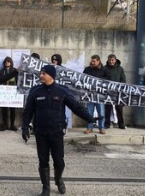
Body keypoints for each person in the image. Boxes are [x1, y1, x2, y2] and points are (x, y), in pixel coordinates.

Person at [22, 65, 94, 196]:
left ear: (50, 75)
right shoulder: (35, 91)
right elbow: (28, 111)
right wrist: (25, 127)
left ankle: (58, 179)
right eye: (40, 73)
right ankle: (45, 188)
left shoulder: (62, 91)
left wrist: (90, 118)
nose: (40, 75)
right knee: (43, 161)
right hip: (41, 132)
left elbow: (76, 107)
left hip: (56, 132)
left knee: (59, 161)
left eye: (43, 73)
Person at [83, 55, 108, 135]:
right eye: (92, 61)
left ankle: (101, 128)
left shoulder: (105, 69)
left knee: (101, 112)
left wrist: (100, 81)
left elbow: (109, 80)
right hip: (90, 94)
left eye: (94, 61)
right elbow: (83, 78)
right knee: (89, 112)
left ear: (98, 61)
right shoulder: (87, 69)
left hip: (100, 95)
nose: (92, 62)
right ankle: (90, 128)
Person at [104, 54, 127, 129]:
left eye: (112, 60)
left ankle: (121, 124)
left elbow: (123, 79)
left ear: (115, 60)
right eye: (110, 60)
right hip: (108, 92)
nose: (111, 62)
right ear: (108, 60)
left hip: (118, 92)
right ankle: (107, 124)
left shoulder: (120, 69)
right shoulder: (104, 68)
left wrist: (120, 88)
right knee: (107, 108)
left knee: (119, 108)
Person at [0, 56, 18, 132]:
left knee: (13, 109)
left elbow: (18, 80)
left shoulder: (14, 71)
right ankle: (5, 124)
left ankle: (12, 125)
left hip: (13, 92)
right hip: (4, 92)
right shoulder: (1, 71)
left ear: (11, 62)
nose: (7, 63)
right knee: (4, 109)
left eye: (8, 61)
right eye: (6, 62)